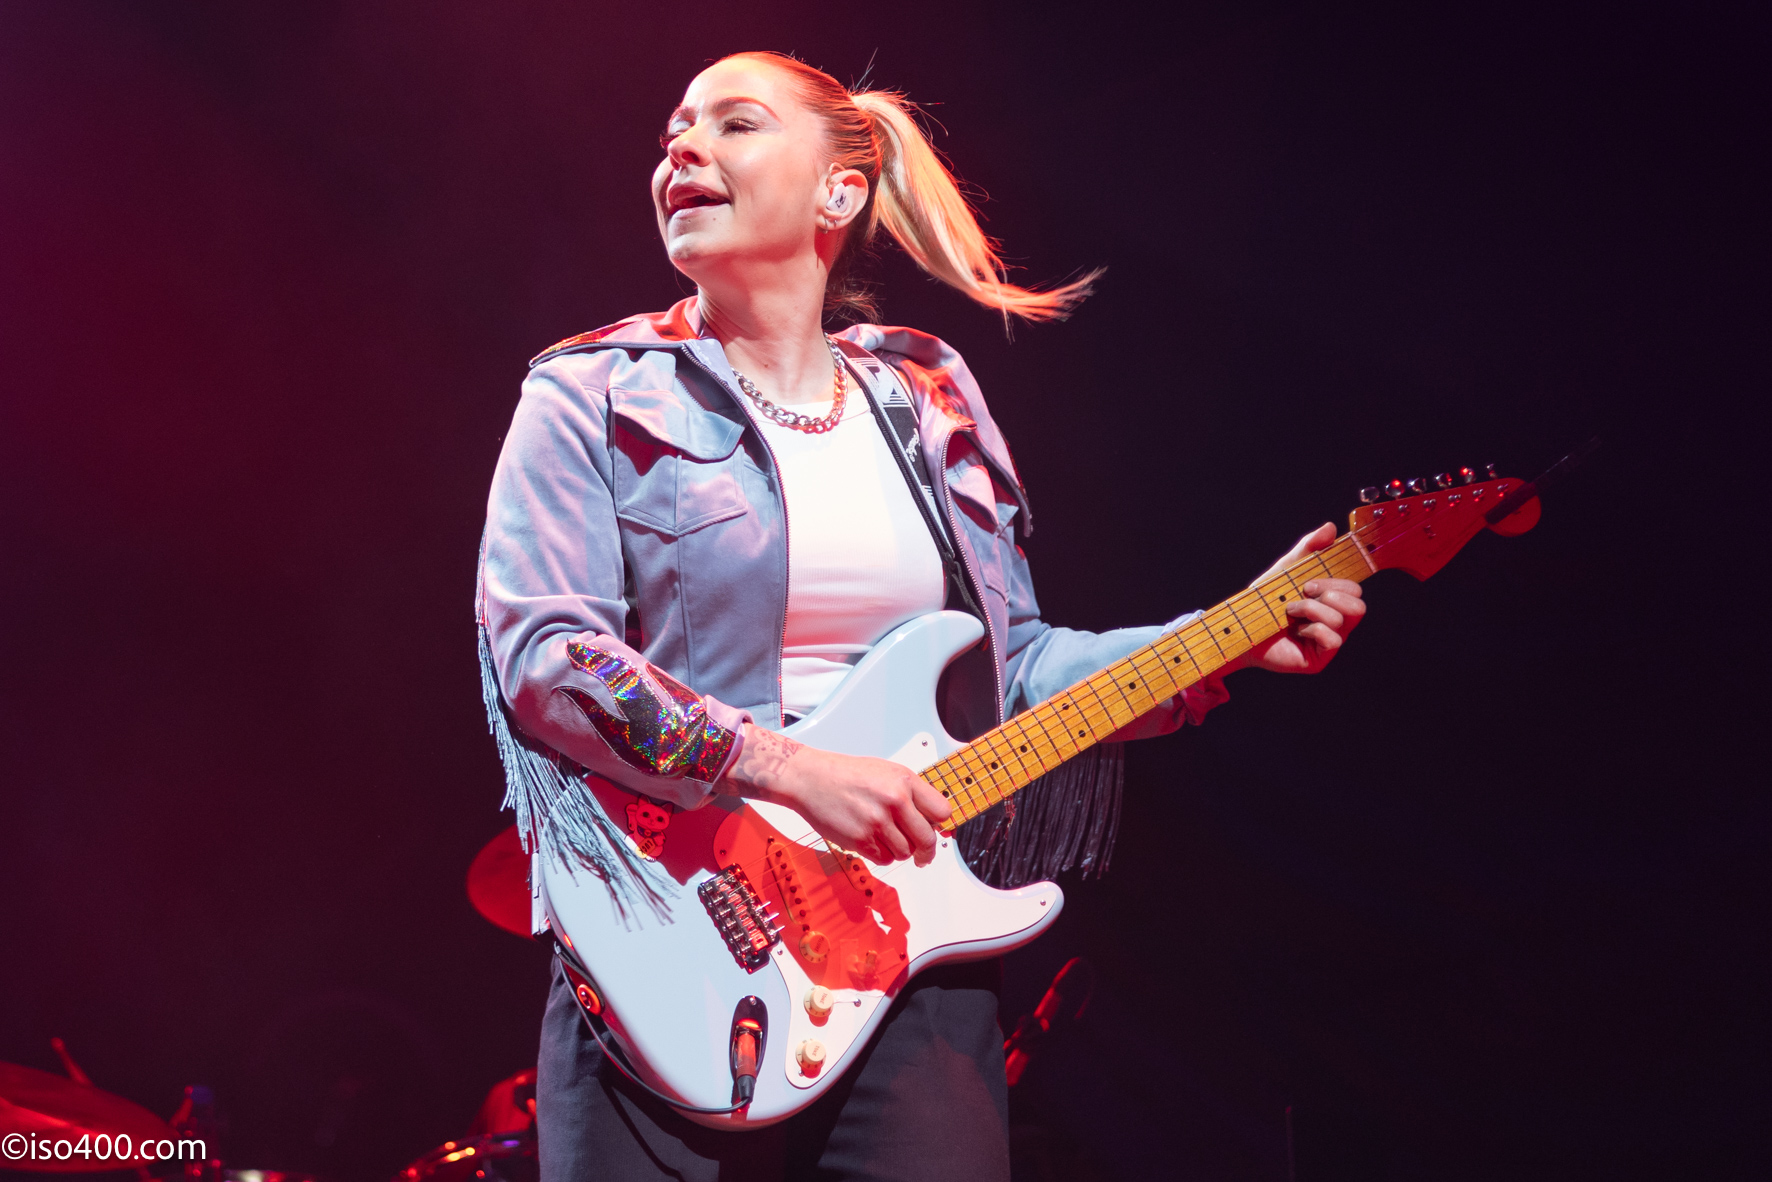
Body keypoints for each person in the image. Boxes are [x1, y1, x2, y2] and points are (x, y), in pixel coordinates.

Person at [478, 50, 1365, 1182]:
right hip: (670, 949)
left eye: (734, 124)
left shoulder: (928, 395)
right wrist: (791, 770)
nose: (682, 148)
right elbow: (547, 656)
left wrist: (1222, 637)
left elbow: (1015, 668)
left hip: (906, 952)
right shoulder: (591, 391)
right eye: (672, 134)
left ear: (838, 191)